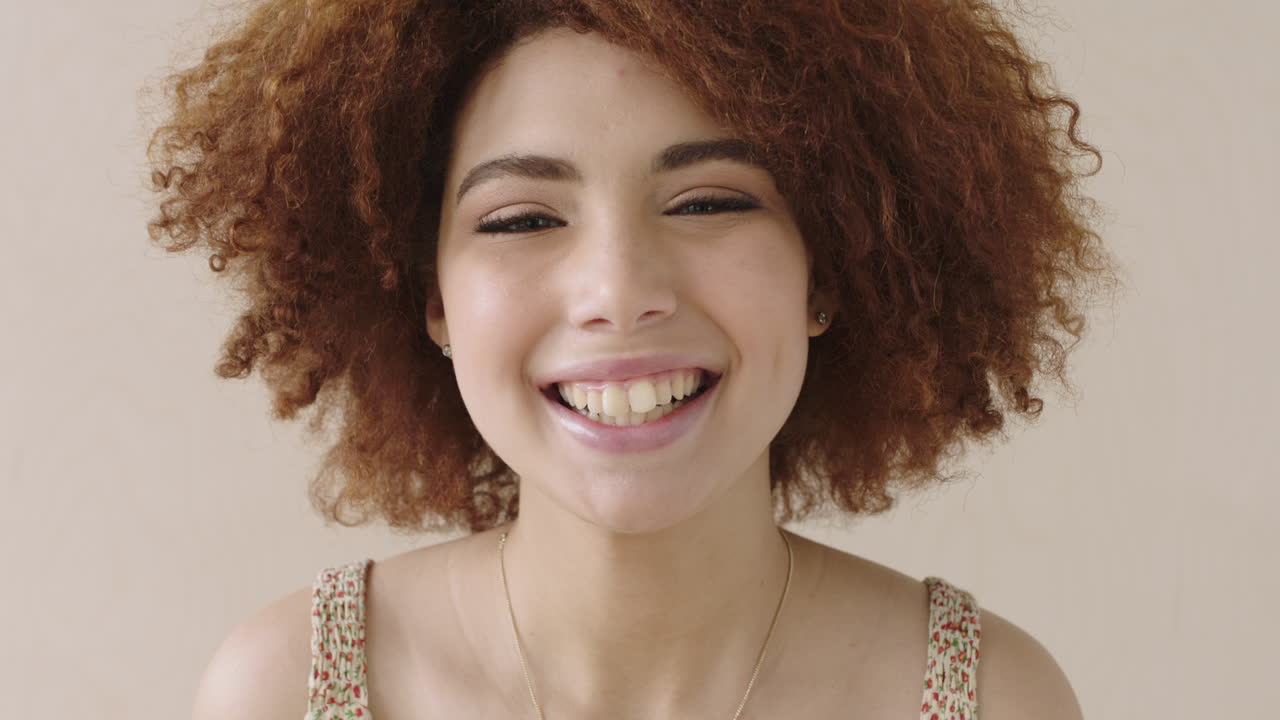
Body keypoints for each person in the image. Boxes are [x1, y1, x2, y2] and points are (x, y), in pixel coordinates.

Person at [145, 1, 1118, 718]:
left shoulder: (988, 700)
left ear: (826, 269)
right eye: (522, 218)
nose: (616, 290)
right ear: (430, 297)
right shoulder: (282, 690)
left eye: (706, 202)